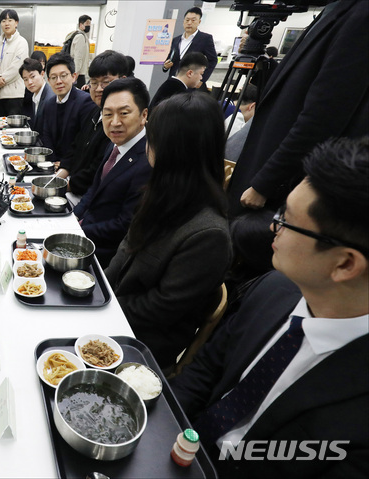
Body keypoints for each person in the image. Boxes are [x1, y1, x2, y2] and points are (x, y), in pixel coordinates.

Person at [170, 137, 369, 478]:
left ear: (344, 264)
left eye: (287, 220)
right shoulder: (274, 289)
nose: (272, 227)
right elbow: (204, 370)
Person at [104, 91, 232, 369]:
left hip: (140, 346)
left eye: (153, 138)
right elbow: (124, 250)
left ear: (173, 148)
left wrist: (104, 309)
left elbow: (160, 310)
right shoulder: (162, 194)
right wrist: (99, 292)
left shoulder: (208, 234)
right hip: (115, 314)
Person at [226, 0, 368, 217]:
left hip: (283, 187)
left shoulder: (359, 17)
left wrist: (265, 183)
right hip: (269, 168)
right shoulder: (338, 12)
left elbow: (323, 116)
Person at [73, 78, 152, 267]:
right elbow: (94, 188)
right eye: (108, 114)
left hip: (107, 253)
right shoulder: (115, 143)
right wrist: (73, 217)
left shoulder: (148, 158)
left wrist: (78, 230)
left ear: (143, 115)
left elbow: (124, 225)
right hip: (86, 228)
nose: (115, 122)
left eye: (124, 113)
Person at [64, 50, 130, 197]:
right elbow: (76, 145)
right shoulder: (93, 111)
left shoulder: (119, 125)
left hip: (90, 196)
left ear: (123, 80)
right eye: (94, 83)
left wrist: (65, 186)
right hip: (74, 186)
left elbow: (98, 170)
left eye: (106, 82)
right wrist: (63, 172)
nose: (99, 88)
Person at [40, 52, 95, 172]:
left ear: (74, 76)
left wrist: (64, 164)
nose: (58, 81)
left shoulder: (85, 102)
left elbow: (81, 142)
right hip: (53, 165)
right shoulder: (49, 104)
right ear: (49, 80)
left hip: (75, 167)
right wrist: (53, 161)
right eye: (53, 78)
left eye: (63, 76)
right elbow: (46, 135)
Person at [0, 8, 29, 117]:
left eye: (10, 20)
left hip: (14, 96)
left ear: (16, 23)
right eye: (3, 21)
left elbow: (16, 69)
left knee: (11, 130)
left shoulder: (22, 43)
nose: (6, 23)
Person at [162, 7, 217, 91]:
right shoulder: (176, 40)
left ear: (199, 22)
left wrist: (201, 79)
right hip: (173, 81)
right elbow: (170, 58)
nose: (189, 23)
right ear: (183, 22)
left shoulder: (205, 38)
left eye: (193, 20)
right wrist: (165, 67)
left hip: (191, 84)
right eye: (187, 20)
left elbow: (213, 60)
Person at [19, 57, 54, 135]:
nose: (30, 82)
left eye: (33, 77)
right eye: (25, 79)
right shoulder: (36, 95)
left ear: (42, 74)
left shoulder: (50, 98)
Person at [65, 14, 91, 88]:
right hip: (78, 74)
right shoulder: (80, 37)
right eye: (87, 23)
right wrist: (76, 72)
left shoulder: (82, 35)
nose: (89, 26)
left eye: (89, 24)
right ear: (81, 24)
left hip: (79, 73)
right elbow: (78, 56)